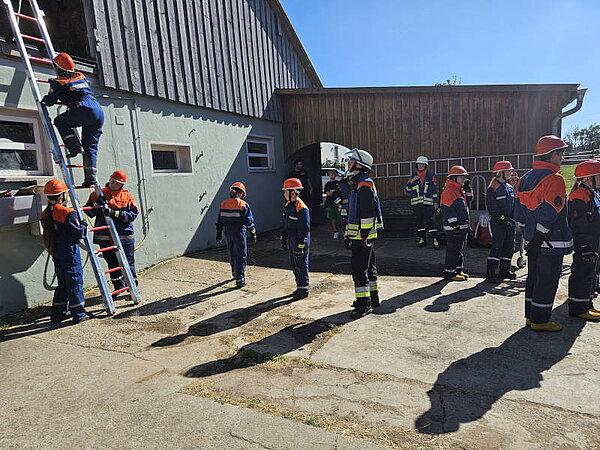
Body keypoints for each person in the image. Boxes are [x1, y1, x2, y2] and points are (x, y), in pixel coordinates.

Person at [515, 135, 572, 332]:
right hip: (550, 241)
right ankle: (541, 320)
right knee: (547, 281)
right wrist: (539, 237)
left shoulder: (524, 178)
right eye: (561, 153)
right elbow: (549, 212)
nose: (563, 157)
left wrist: (530, 237)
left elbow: (519, 213)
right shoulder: (555, 180)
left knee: (534, 278)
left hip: (532, 240)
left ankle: (531, 317)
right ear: (553, 154)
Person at [41, 52, 104, 187]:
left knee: (60, 121)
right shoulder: (80, 76)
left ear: (57, 68)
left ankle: (74, 146)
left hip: (84, 110)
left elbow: (50, 101)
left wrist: (43, 101)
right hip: (98, 112)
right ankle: (90, 178)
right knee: (90, 147)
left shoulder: (59, 83)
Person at [41, 179, 92, 324]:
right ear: (61, 196)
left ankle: (58, 314)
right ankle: (79, 314)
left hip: (55, 250)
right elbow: (78, 233)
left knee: (62, 282)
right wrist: (83, 226)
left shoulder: (45, 213)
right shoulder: (67, 212)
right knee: (75, 281)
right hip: (69, 250)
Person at [345, 148, 384, 318]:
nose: (348, 163)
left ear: (359, 165)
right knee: (369, 267)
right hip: (362, 236)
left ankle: (363, 304)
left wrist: (364, 236)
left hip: (363, 236)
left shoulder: (364, 185)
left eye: (351, 160)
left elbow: (367, 213)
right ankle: (372, 298)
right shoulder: (358, 183)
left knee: (359, 269)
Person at [84, 170, 139, 291]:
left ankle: (133, 287)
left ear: (122, 185)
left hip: (124, 237)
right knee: (112, 264)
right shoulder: (98, 194)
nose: (114, 184)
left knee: (128, 263)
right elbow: (88, 212)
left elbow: (133, 215)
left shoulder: (127, 196)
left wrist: (115, 213)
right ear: (109, 180)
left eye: (117, 183)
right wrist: (97, 204)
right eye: (112, 181)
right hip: (104, 238)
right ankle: (119, 287)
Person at [566, 159, 600, 320]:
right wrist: (585, 244)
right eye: (598, 175)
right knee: (581, 273)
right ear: (588, 178)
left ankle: (586, 303)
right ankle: (578, 308)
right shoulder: (580, 195)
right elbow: (577, 223)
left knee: (590, 273)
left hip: (592, 240)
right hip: (584, 242)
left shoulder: (589, 193)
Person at [215, 182, 257, 288]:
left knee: (231, 253)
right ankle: (240, 279)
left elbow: (220, 219)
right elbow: (248, 221)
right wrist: (253, 233)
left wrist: (219, 232)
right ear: (242, 193)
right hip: (239, 232)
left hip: (227, 232)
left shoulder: (223, 204)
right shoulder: (243, 205)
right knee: (240, 255)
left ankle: (235, 273)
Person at [485, 160, 517, 283]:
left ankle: (505, 270)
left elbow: (514, 205)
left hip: (510, 223)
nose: (511, 172)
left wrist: (513, 218)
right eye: (508, 171)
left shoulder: (509, 187)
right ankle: (491, 272)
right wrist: (504, 219)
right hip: (499, 223)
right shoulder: (493, 188)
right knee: (497, 246)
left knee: (509, 246)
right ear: (500, 172)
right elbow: (493, 209)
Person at [281, 178, 310, 299]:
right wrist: (284, 236)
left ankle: (304, 289)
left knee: (301, 264)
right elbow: (287, 223)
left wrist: (300, 246)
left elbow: (304, 230)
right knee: (294, 265)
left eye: (285, 191)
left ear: (293, 192)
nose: (283, 194)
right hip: (292, 238)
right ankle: (299, 287)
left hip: (299, 240)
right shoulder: (288, 205)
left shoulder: (302, 208)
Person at [441, 165, 470, 281]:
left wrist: (468, 192)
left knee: (459, 250)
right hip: (453, 229)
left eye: (464, 177)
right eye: (461, 177)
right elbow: (448, 211)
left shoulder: (458, 190)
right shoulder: (449, 191)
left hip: (461, 228)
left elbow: (467, 205)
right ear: (453, 178)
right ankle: (449, 273)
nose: (463, 179)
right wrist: (455, 226)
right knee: (453, 250)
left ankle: (458, 270)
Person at [405, 156, 439, 249]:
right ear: (416, 165)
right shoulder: (413, 176)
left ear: (425, 165)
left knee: (430, 222)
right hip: (416, 204)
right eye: (419, 164)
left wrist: (436, 203)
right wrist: (412, 181)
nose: (420, 166)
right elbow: (407, 189)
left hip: (428, 204)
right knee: (419, 222)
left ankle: (435, 240)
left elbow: (434, 191)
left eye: (422, 164)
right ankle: (422, 239)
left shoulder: (431, 176)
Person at [323, 169, 341, 239]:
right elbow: (328, 193)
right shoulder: (327, 184)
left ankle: (342, 231)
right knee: (333, 218)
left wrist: (334, 191)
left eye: (334, 173)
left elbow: (340, 192)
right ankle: (335, 232)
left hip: (338, 203)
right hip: (330, 203)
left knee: (340, 218)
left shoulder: (338, 183)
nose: (332, 174)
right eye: (330, 173)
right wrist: (333, 192)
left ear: (336, 175)